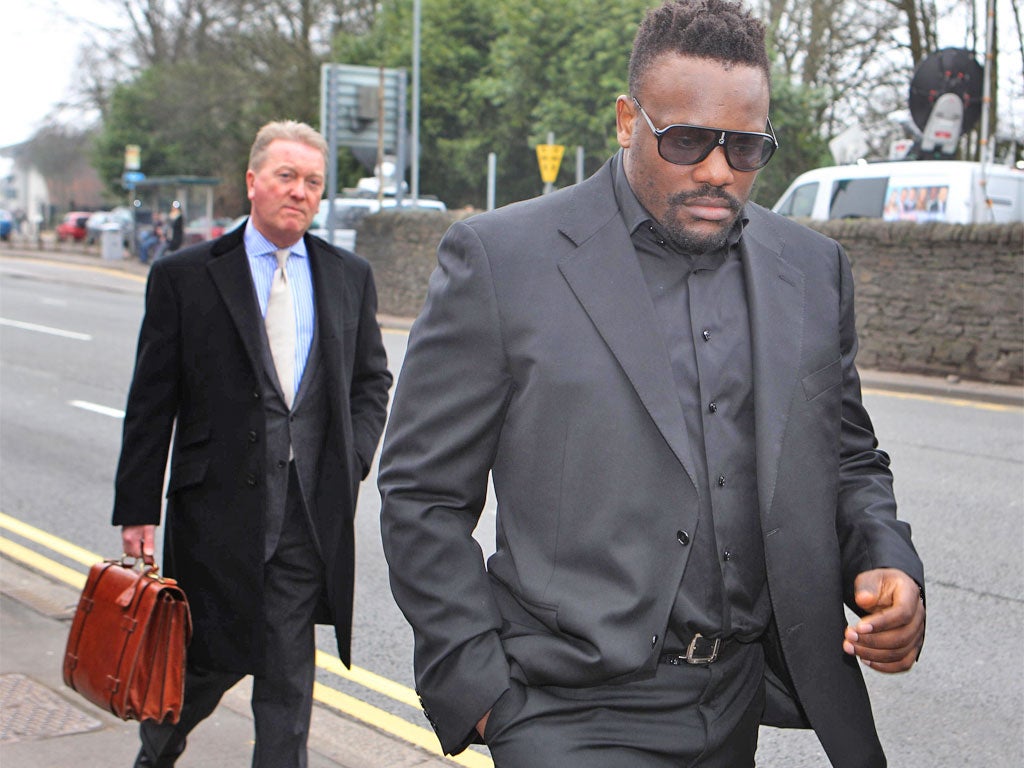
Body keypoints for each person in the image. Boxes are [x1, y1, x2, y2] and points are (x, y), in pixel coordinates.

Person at [377, 2, 925, 767]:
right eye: (688, 140)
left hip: (733, 701)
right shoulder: (501, 262)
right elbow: (422, 493)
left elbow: (847, 459)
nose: (717, 171)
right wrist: (482, 688)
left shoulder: (811, 268)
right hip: (564, 711)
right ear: (627, 120)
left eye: (745, 147)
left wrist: (887, 561)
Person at [114, 119, 392, 767]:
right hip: (214, 518)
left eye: (313, 182)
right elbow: (152, 401)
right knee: (203, 667)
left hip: (304, 518)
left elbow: (371, 381)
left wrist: (350, 459)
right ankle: (155, 754)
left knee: (288, 684)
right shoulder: (186, 276)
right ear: (252, 181)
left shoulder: (347, 275)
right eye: (286, 176)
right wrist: (137, 510)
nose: (299, 191)